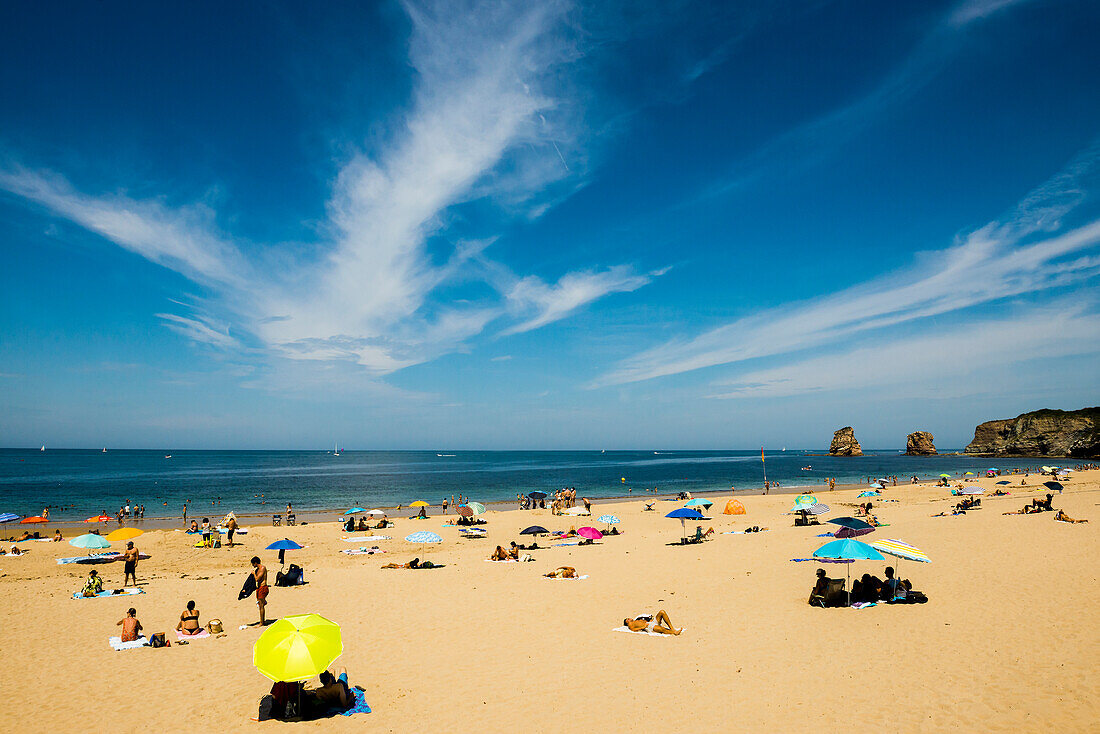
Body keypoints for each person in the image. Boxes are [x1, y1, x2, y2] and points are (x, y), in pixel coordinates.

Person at [251, 556, 269, 626]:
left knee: (261, 606)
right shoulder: (258, 569)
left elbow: (257, 579)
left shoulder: (262, 568)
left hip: (263, 587)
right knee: (259, 604)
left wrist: (254, 574)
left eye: (253, 564)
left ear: (255, 563)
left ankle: (262, 622)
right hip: (259, 588)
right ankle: (264, 601)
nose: (252, 565)